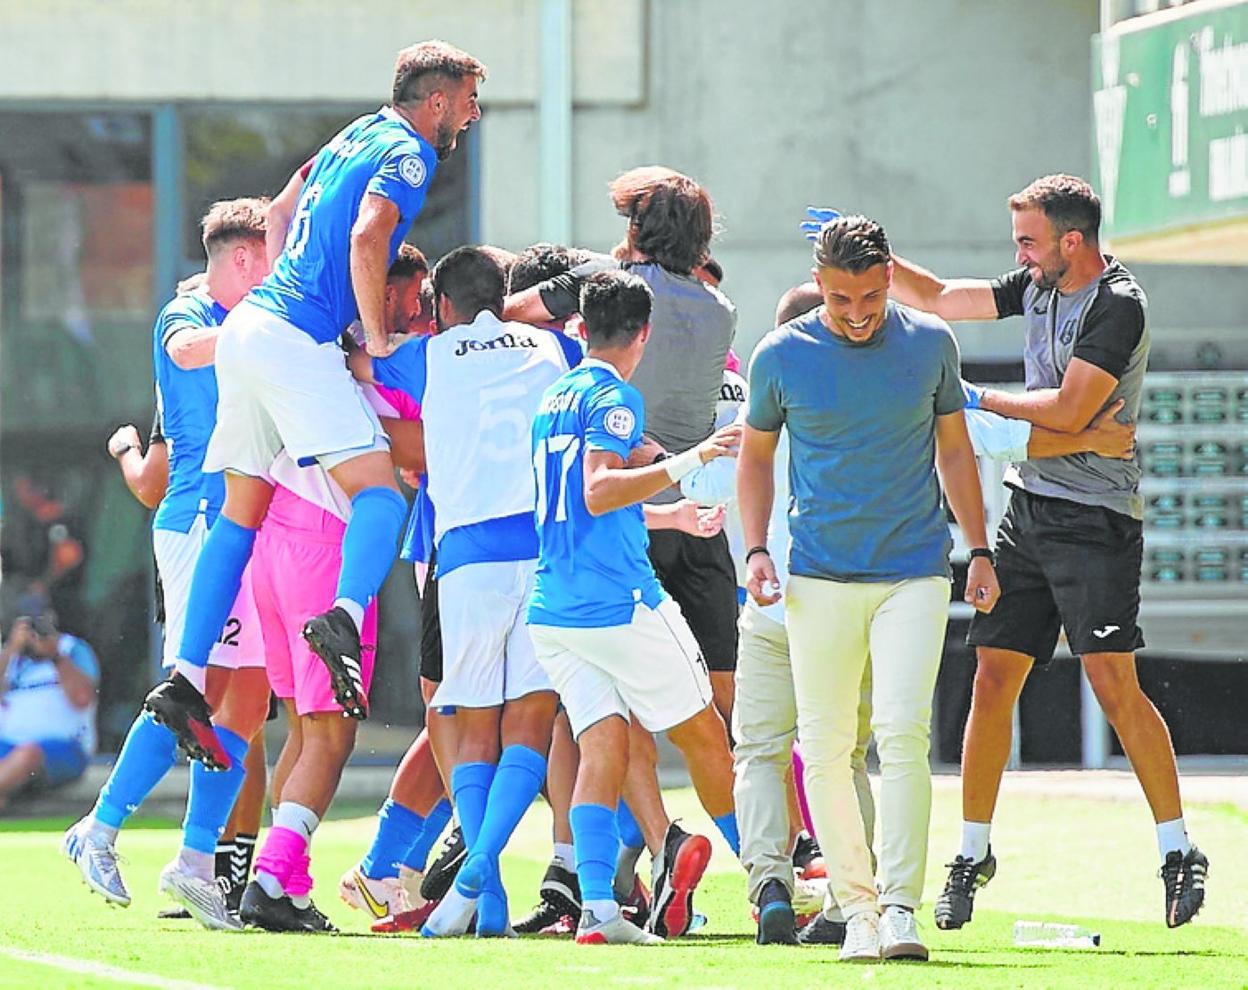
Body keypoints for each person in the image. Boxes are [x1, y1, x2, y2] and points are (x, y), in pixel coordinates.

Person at [145, 41, 485, 773]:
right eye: (467, 100)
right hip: (294, 339)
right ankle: (344, 614)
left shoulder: (356, 131)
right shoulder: (410, 150)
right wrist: (374, 329)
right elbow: (368, 235)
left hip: (248, 331)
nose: (472, 113)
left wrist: (301, 290)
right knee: (382, 497)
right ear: (437, 102)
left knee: (243, 508)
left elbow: (278, 210)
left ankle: (184, 676)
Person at [884, 173, 1208, 931]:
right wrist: (876, 259)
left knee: (1114, 687)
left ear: (1073, 240)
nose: (1019, 257)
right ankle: (970, 856)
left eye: (1029, 241)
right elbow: (937, 298)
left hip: (1096, 519)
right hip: (1028, 510)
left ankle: (1176, 850)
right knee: (991, 678)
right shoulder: (1038, 280)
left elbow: (1070, 409)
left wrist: (973, 398)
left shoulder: (1118, 305)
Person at [738, 215, 1000, 963]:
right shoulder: (780, 355)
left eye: (870, 298)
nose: (857, 314)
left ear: (891, 277)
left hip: (914, 571)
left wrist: (978, 548)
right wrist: (757, 548)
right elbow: (755, 460)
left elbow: (955, 449)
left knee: (903, 733)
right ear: (818, 284)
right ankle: (855, 911)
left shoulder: (930, 343)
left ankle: (899, 909)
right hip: (816, 577)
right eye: (841, 298)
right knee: (822, 746)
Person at [354, 246, 580, 938]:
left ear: (443, 306)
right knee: (531, 726)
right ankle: (483, 874)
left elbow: (355, 366)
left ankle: (487, 888)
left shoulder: (431, 353)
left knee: (471, 727)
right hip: (542, 549)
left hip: (466, 557)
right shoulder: (554, 349)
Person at [62, 198, 273, 932]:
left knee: (245, 700)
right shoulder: (188, 315)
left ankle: (193, 863)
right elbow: (186, 352)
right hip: (200, 524)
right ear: (243, 259)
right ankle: (99, 828)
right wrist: (259, 331)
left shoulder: (252, 315)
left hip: (244, 527)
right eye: (269, 255)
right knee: (194, 687)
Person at [527, 269, 739, 946]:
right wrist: (692, 459)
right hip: (618, 604)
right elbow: (597, 492)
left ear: (580, 328)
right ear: (642, 335)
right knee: (706, 733)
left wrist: (671, 515)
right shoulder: (617, 397)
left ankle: (598, 910)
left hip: (554, 610)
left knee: (604, 749)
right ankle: (772, 878)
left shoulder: (553, 395)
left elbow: (577, 509)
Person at [240, 250, 430, 933]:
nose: (417, 309)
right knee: (333, 734)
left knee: (304, 728)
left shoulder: (316, 352)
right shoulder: (384, 366)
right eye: (410, 294)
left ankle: (283, 881)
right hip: (330, 547)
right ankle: (269, 880)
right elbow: (416, 454)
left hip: (277, 536)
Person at [0, 613, 97, 811]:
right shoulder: (11, 655)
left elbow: (82, 698)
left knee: (28, 753)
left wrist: (54, 656)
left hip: (62, 749)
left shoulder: (72, 648)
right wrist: (12, 649)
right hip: (7, 745)